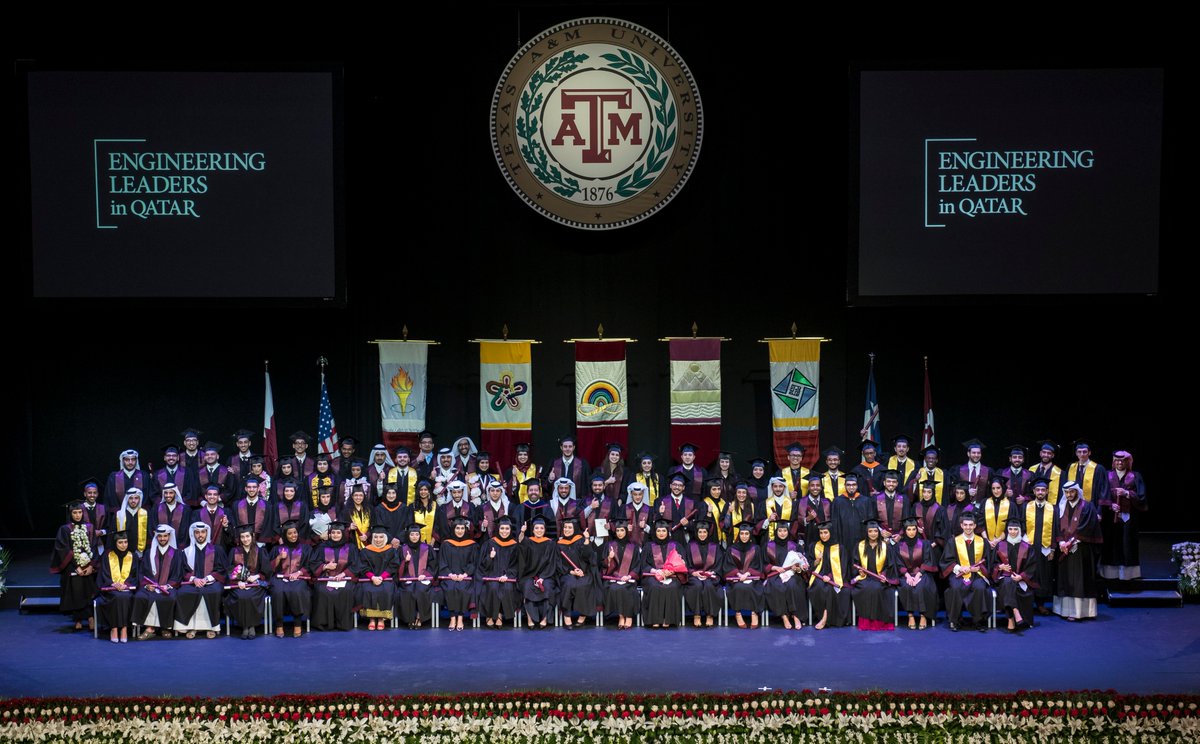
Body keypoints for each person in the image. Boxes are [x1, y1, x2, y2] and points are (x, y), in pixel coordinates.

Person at [1054, 481, 1102, 621]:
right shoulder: (1060, 507)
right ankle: (1064, 610)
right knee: (1065, 579)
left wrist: (1074, 541)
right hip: (1064, 550)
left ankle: (1080, 612)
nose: (1069, 495)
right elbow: (1056, 526)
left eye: (1072, 492)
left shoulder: (1087, 506)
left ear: (1077, 492)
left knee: (1080, 580)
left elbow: (1088, 525)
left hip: (1081, 549)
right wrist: (1061, 541)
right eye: (1067, 492)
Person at [49, 501, 99, 631]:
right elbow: (63, 549)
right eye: (75, 512)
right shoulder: (65, 529)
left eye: (80, 512)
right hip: (72, 566)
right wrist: (76, 566)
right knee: (76, 589)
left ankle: (90, 618)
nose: (77, 515)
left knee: (88, 589)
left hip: (88, 565)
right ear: (71, 514)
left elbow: (93, 547)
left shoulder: (89, 527)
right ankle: (77, 619)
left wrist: (91, 566)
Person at [940, 511, 992, 632]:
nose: (968, 527)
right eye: (965, 525)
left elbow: (988, 560)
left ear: (974, 526)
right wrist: (959, 567)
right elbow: (946, 560)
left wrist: (980, 568)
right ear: (961, 525)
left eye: (970, 525)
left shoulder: (982, 542)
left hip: (977, 574)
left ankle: (979, 621)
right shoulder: (953, 541)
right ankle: (955, 620)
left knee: (979, 588)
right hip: (959, 574)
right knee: (956, 588)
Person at [174, 522, 227, 639]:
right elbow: (182, 571)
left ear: (207, 533)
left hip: (211, 582)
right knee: (185, 592)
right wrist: (194, 579)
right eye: (197, 532)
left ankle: (211, 627)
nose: (200, 535)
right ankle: (192, 627)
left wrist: (207, 578)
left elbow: (222, 569)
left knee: (213, 592)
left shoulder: (216, 550)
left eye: (203, 532)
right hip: (192, 582)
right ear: (193, 534)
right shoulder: (186, 551)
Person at [1101, 450, 1148, 580]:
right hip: (1111, 517)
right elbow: (1101, 493)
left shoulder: (1135, 476)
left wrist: (1127, 493)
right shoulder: (1107, 475)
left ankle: (1127, 574)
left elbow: (1142, 497)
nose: (1119, 463)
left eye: (1122, 461)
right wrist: (1111, 505)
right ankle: (1110, 573)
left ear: (1127, 462)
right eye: (1117, 460)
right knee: (1111, 543)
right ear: (1113, 462)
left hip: (1129, 517)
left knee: (1128, 544)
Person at [132, 524, 183, 639]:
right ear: (156, 537)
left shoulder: (176, 553)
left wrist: (168, 586)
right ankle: (150, 628)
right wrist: (146, 585)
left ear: (169, 536)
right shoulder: (149, 553)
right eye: (160, 536)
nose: (162, 539)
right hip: (150, 587)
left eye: (165, 536)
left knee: (169, 597)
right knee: (141, 596)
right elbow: (142, 572)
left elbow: (178, 574)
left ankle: (164, 627)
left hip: (168, 587)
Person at [224, 524, 271, 639]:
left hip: (256, 584)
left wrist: (257, 576)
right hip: (239, 585)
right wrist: (238, 581)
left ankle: (252, 626)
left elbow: (267, 571)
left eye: (247, 536)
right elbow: (229, 571)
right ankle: (245, 626)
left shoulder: (260, 551)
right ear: (239, 538)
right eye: (242, 537)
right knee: (242, 596)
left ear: (252, 536)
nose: (245, 539)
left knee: (250, 596)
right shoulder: (234, 551)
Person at [309, 521, 357, 631]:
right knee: (322, 591)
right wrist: (325, 567)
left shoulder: (350, 547)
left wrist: (343, 574)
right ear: (330, 534)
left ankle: (343, 624)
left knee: (346, 591)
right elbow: (313, 563)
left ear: (343, 534)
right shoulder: (321, 547)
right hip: (325, 579)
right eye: (333, 533)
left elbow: (356, 565)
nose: (335, 535)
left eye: (338, 533)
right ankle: (324, 624)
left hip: (345, 579)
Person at [851, 519, 898, 631]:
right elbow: (854, 564)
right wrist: (859, 571)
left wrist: (884, 575)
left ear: (879, 532)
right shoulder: (860, 546)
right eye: (870, 531)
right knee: (866, 588)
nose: (873, 534)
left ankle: (879, 623)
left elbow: (890, 565)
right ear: (866, 532)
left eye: (875, 531)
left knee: (877, 588)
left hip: (879, 579)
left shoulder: (885, 546)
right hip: (864, 578)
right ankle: (866, 622)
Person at [269, 520, 312, 638]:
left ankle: (297, 624)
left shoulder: (305, 548)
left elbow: (310, 565)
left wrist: (299, 572)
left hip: (298, 578)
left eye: (295, 532)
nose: (293, 536)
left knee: (297, 590)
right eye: (290, 533)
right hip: (280, 579)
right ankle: (279, 624)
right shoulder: (277, 549)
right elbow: (269, 568)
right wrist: (279, 558)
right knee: (277, 591)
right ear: (285, 535)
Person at [639, 519, 686, 628]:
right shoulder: (648, 546)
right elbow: (643, 565)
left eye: (663, 531)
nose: (661, 533)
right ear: (655, 532)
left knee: (672, 587)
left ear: (667, 532)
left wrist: (672, 571)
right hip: (653, 575)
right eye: (658, 531)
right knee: (654, 586)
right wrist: (656, 571)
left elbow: (683, 563)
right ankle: (655, 619)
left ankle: (668, 619)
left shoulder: (676, 545)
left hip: (672, 575)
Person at [993, 517, 1036, 633]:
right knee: (1008, 581)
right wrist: (1000, 567)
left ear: (1019, 530)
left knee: (1009, 583)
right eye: (1010, 529)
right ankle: (1015, 613)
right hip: (1003, 578)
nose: (1012, 532)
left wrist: (1021, 576)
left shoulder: (1026, 547)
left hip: (1020, 580)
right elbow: (992, 564)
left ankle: (1010, 619)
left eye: (1015, 529)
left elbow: (1032, 566)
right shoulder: (1000, 545)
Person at [477, 515, 521, 627]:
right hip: (491, 575)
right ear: (497, 529)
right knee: (492, 587)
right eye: (502, 528)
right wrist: (490, 558)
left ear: (511, 530)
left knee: (507, 588)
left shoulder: (515, 545)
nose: (504, 531)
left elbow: (517, 564)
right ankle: (490, 615)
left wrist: (508, 575)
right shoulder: (490, 543)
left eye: (507, 529)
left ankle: (499, 615)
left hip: (507, 577)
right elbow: (482, 565)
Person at [1023, 476, 1058, 615]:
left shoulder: (1053, 509)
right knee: (1029, 573)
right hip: (1029, 546)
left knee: (1043, 575)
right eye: (1038, 490)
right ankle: (1026, 602)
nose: (1040, 492)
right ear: (1034, 491)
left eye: (1043, 490)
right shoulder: (1026, 506)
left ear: (1047, 492)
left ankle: (1041, 604)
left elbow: (1056, 529)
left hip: (1045, 547)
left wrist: (1053, 548)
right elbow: (1020, 525)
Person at [96, 531, 139, 643]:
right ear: (115, 543)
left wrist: (126, 584)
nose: (123, 545)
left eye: (125, 542)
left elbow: (136, 574)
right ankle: (114, 628)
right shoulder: (107, 555)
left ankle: (124, 628)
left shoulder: (133, 555)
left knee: (124, 597)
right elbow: (104, 573)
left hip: (127, 589)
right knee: (116, 596)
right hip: (110, 588)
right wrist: (113, 583)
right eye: (120, 542)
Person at [895, 517, 938, 630]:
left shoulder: (925, 544)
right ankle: (910, 615)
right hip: (906, 575)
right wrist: (907, 575)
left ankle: (923, 615)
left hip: (922, 573)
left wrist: (919, 574)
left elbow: (928, 560)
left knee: (921, 587)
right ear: (904, 531)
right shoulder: (898, 546)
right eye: (908, 529)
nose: (911, 532)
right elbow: (898, 563)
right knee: (906, 586)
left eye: (914, 529)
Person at [807, 521, 851, 630]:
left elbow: (843, 567)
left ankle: (825, 617)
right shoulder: (815, 546)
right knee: (818, 587)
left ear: (831, 532)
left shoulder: (839, 548)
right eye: (821, 533)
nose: (823, 535)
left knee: (831, 588)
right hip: (819, 576)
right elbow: (809, 565)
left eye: (826, 533)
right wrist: (817, 561)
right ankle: (823, 616)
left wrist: (830, 576)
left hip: (836, 577)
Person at [763, 521, 807, 630]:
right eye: (780, 531)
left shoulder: (794, 546)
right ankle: (784, 616)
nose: (782, 533)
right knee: (778, 587)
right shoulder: (768, 546)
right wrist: (775, 567)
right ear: (776, 532)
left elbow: (801, 564)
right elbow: (763, 564)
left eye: (785, 531)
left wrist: (797, 569)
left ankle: (796, 615)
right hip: (775, 575)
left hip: (792, 574)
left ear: (788, 532)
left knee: (793, 585)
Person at [599, 516, 641, 629]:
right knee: (614, 588)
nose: (620, 533)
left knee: (627, 589)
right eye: (617, 530)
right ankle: (621, 616)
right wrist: (609, 558)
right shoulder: (610, 546)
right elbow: (604, 567)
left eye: (622, 530)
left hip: (628, 578)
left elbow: (637, 565)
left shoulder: (634, 547)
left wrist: (629, 576)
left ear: (626, 531)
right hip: (615, 578)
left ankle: (629, 617)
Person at [355, 525, 399, 631]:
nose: (378, 540)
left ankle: (380, 618)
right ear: (372, 538)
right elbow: (362, 567)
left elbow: (393, 566)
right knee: (367, 589)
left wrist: (382, 577)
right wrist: (372, 577)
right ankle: (371, 619)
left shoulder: (391, 551)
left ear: (385, 538)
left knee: (387, 589)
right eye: (375, 537)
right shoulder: (365, 551)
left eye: (381, 537)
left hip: (386, 579)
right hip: (369, 579)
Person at [437, 516, 478, 631]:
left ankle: (460, 617)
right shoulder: (446, 544)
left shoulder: (471, 545)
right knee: (450, 588)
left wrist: (465, 574)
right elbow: (442, 562)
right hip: (449, 576)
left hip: (465, 577)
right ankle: (452, 617)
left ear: (465, 530)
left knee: (463, 589)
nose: (460, 531)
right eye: (457, 528)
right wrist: (450, 575)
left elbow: (473, 562)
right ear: (453, 529)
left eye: (462, 528)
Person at [682, 519, 724, 627]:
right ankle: (697, 615)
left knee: (709, 585)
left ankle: (710, 615)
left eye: (704, 532)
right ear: (696, 532)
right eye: (700, 532)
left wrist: (710, 574)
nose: (702, 534)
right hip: (694, 576)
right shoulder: (690, 546)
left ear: (708, 533)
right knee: (697, 585)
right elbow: (685, 564)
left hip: (711, 576)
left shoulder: (715, 547)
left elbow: (719, 566)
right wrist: (693, 573)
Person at [723, 522, 765, 628]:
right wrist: (738, 574)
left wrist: (747, 573)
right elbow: (728, 566)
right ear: (739, 534)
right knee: (738, 587)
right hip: (736, 578)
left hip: (751, 577)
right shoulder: (731, 549)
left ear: (750, 535)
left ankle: (754, 613)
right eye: (742, 534)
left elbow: (758, 565)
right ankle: (738, 613)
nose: (744, 536)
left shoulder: (756, 548)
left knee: (751, 587)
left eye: (747, 534)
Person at [556, 517, 596, 628]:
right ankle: (567, 615)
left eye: (570, 527)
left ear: (575, 528)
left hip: (583, 572)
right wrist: (571, 571)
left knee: (585, 583)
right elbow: (558, 563)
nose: (567, 529)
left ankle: (582, 615)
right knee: (569, 584)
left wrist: (587, 541)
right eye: (565, 527)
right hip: (567, 573)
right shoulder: (559, 544)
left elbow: (589, 557)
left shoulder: (581, 540)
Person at [518, 517, 557, 628]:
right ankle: (530, 619)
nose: (539, 530)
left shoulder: (550, 544)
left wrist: (543, 577)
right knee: (527, 586)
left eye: (541, 528)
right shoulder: (529, 541)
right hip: (530, 575)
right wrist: (522, 532)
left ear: (544, 530)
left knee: (548, 587)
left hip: (547, 575)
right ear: (533, 530)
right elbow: (520, 542)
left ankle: (544, 619)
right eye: (536, 528)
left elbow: (551, 563)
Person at [396, 524, 436, 628]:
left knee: (420, 589)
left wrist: (426, 574)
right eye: (412, 534)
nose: (414, 537)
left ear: (420, 536)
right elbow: (397, 569)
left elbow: (433, 565)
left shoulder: (427, 548)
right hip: (408, 580)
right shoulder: (402, 549)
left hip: (423, 580)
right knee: (408, 591)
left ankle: (419, 617)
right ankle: (410, 618)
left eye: (416, 534)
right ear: (408, 535)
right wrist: (406, 561)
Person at [832, 473, 872, 548]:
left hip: (861, 538)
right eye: (848, 485)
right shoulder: (837, 501)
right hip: (843, 539)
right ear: (845, 486)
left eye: (853, 485)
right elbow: (835, 522)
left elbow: (869, 520)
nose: (851, 487)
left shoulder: (865, 501)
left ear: (857, 486)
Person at [911, 479, 947, 564]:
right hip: (918, 545)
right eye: (924, 492)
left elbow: (943, 530)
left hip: (934, 546)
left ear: (933, 493)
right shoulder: (916, 506)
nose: (926, 495)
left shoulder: (940, 509)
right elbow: (910, 523)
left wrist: (934, 543)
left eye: (929, 492)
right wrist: (916, 528)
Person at [654, 473, 701, 538]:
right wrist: (660, 513)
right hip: (667, 539)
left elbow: (697, 524)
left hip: (685, 538)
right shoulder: (660, 501)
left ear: (683, 487)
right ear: (670, 486)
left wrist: (687, 524)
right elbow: (654, 522)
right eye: (674, 484)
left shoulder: (692, 503)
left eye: (680, 485)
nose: (677, 487)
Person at [231, 477, 274, 545]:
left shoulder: (267, 506)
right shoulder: (236, 505)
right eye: (249, 487)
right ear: (245, 489)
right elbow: (235, 524)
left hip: (261, 544)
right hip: (242, 542)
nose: (251, 489)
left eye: (254, 487)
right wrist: (238, 539)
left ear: (258, 488)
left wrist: (262, 541)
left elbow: (268, 524)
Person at [1064, 439, 1109, 504]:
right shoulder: (1070, 467)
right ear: (1076, 453)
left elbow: (1103, 491)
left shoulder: (1098, 469)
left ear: (1089, 453)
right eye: (1079, 452)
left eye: (1084, 452)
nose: (1082, 454)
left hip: (1092, 507)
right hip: (1073, 505)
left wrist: (1099, 510)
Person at [108, 488, 149, 557]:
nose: (133, 501)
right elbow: (112, 534)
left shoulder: (145, 514)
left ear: (139, 499)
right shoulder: (119, 515)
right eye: (131, 498)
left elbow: (149, 534)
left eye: (136, 498)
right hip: (122, 551)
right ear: (127, 499)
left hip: (140, 551)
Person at [979, 475, 1017, 548]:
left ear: (1003, 488)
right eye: (993, 488)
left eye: (998, 488)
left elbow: (1011, 526)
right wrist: (987, 541)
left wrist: (997, 540)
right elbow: (980, 524)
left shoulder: (1011, 505)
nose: (995, 491)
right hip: (986, 543)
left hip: (1004, 544)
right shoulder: (984, 503)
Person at [872, 469, 909, 544]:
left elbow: (907, 520)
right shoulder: (875, 499)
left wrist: (900, 535)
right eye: (888, 481)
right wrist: (881, 531)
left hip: (898, 540)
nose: (891, 484)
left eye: (894, 482)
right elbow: (872, 519)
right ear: (884, 483)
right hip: (881, 539)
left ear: (897, 483)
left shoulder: (904, 499)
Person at [269, 479, 309, 545]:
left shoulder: (302, 506)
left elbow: (305, 524)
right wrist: (280, 537)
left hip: (299, 540)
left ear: (295, 492)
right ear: (283, 492)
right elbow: (274, 524)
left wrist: (296, 537)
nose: (289, 493)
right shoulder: (277, 506)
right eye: (286, 491)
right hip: (282, 541)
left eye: (291, 491)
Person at [583, 474, 618, 545]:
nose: (597, 487)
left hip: (606, 540)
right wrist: (590, 507)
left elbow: (617, 520)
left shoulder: (612, 502)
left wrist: (611, 525)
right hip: (589, 539)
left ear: (604, 486)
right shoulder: (585, 500)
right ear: (591, 486)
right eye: (595, 485)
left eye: (600, 485)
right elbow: (581, 517)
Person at [762, 476, 799, 543]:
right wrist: (768, 520)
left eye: (780, 486)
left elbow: (795, 521)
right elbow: (758, 522)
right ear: (772, 488)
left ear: (784, 488)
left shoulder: (792, 504)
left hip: (788, 540)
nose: (778, 489)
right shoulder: (765, 504)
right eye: (775, 486)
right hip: (769, 540)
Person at [77, 477, 109, 546]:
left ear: (97, 494)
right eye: (89, 493)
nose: (92, 495)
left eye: (95, 493)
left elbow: (109, 526)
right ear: (85, 494)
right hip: (82, 544)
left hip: (100, 544)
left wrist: (101, 532)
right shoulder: (78, 509)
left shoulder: (103, 508)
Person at [407, 480, 438, 545]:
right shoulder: (412, 506)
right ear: (418, 491)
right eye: (421, 490)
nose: (423, 492)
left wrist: (433, 540)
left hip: (433, 542)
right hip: (416, 542)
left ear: (429, 491)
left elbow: (438, 525)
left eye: (425, 489)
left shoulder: (435, 505)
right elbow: (410, 525)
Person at [622, 481, 653, 546]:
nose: (638, 497)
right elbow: (619, 527)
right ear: (631, 494)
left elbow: (654, 530)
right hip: (628, 547)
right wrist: (625, 528)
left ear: (643, 494)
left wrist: (645, 526)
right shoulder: (624, 508)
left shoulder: (650, 509)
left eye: (640, 494)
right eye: (635, 494)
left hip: (645, 546)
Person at [700, 478, 728, 545]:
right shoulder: (704, 504)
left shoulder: (724, 503)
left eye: (719, 489)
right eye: (714, 489)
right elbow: (701, 524)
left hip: (724, 539)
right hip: (711, 539)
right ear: (709, 490)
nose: (717, 492)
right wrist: (709, 513)